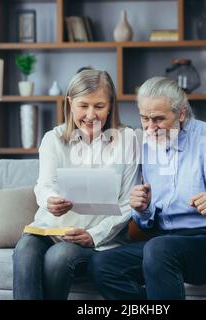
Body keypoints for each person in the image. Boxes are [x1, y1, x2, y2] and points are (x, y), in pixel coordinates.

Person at [89, 76, 206, 300]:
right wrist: (143, 209)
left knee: (159, 249)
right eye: (144, 118)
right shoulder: (146, 145)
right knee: (103, 264)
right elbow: (146, 222)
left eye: (158, 119)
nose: (150, 128)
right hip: (167, 242)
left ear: (181, 113)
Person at [13, 69, 139, 300]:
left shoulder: (127, 140)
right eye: (83, 105)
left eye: (99, 106)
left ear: (111, 105)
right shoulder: (53, 139)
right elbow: (44, 186)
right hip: (50, 229)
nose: (91, 115)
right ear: (70, 103)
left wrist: (93, 235)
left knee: (59, 257)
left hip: (96, 238)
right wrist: (49, 200)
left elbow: (128, 203)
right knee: (24, 251)